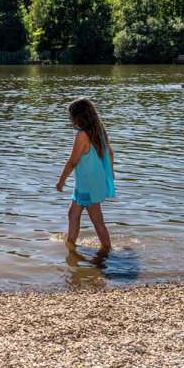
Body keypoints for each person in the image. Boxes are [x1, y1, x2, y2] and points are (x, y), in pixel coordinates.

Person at [56, 98, 116, 257]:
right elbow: (110, 153)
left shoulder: (82, 135)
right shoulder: (99, 131)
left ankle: (107, 251)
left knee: (96, 221)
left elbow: (73, 161)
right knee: (73, 214)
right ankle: (72, 249)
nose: (70, 120)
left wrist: (61, 180)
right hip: (89, 184)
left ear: (79, 117)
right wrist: (110, 175)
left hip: (87, 186)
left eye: (71, 116)